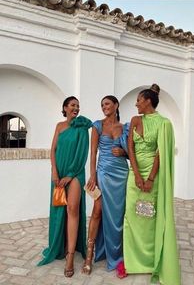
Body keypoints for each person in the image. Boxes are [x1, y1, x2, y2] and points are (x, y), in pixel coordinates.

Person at [123, 84, 181, 285]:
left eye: (139, 100)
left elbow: (160, 153)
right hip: (134, 174)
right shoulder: (135, 120)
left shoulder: (164, 123)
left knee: (149, 216)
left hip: (153, 177)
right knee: (132, 215)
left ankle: (151, 260)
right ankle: (133, 261)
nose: (136, 103)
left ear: (148, 101)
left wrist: (149, 179)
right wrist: (137, 175)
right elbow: (130, 147)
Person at [38, 96, 92, 278]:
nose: (76, 108)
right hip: (59, 173)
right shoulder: (59, 126)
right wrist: (54, 172)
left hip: (75, 173)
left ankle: (70, 256)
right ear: (65, 108)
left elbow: (83, 152)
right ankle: (60, 245)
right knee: (59, 209)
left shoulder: (83, 126)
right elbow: (53, 150)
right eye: (72, 105)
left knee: (72, 209)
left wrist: (70, 174)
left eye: (78, 105)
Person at [82, 95, 129, 277]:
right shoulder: (97, 125)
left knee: (118, 214)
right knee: (97, 210)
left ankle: (117, 255)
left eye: (107, 104)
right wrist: (93, 175)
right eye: (102, 105)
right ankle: (89, 255)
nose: (104, 107)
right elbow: (93, 152)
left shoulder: (125, 127)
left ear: (116, 105)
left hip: (121, 174)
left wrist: (123, 151)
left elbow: (130, 153)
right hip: (102, 172)